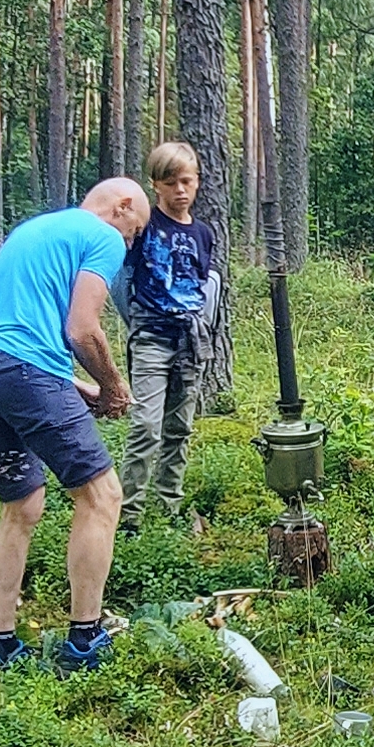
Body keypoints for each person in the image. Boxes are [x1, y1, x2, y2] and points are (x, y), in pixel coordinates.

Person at [0, 178, 152, 672]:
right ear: (123, 207)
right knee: (103, 496)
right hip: (22, 371)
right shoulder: (102, 236)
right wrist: (111, 386)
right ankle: (84, 642)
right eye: (136, 233)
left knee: (21, 505)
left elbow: (17, 328)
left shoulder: (38, 229)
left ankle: (0, 648)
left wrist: (71, 387)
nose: (130, 245)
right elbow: (82, 328)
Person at [120, 142, 221, 515]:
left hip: (190, 341)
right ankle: (129, 512)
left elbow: (206, 284)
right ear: (155, 186)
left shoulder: (204, 234)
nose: (180, 190)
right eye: (170, 182)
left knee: (179, 427)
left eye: (186, 181)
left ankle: (169, 505)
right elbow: (122, 278)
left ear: (197, 184)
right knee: (146, 425)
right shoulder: (145, 226)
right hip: (150, 338)